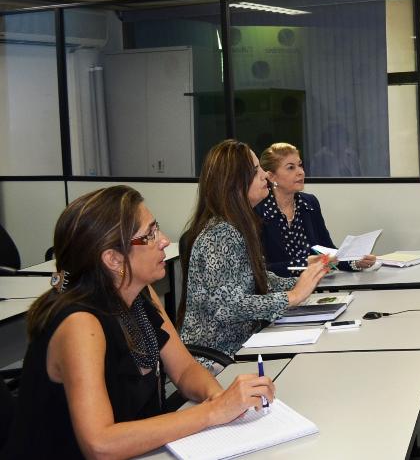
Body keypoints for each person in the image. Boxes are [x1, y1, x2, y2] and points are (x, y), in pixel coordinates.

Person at [2, 186, 276, 459]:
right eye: (150, 234)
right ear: (113, 259)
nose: (164, 240)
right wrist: (213, 412)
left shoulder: (138, 292)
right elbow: (100, 445)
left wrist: (218, 397)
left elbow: (184, 371)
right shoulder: (80, 323)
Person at [178, 140, 329, 368]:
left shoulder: (239, 224)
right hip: (217, 361)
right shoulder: (220, 234)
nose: (264, 176)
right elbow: (227, 307)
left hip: (244, 347)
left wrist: (300, 282)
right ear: (235, 183)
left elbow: (258, 280)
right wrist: (293, 296)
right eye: (256, 170)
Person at [257, 142, 377, 277]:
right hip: (280, 292)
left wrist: (354, 261)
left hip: (317, 286)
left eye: (300, 165)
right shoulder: (259, 210)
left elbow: (327, 251)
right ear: (272, 177)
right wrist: (304, 264)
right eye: (291, 168)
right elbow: (261, 269)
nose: (300, 172)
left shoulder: (309, 203)